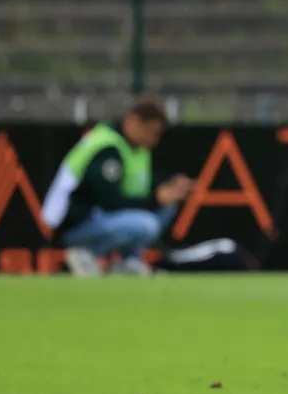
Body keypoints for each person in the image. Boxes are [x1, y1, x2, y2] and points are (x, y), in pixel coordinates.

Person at [40, 96, 194, 277]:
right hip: (73, 224)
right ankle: (86, 253)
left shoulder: (135, 148)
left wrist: (168, 184)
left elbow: (138, 184)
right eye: (153, 132)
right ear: (135, 122)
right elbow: (109, 201)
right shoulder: (107, 146)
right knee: (147, 225)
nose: (155, 140)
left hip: (99, 218)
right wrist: (155, 198)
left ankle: (127, 262)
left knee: (166, 206)